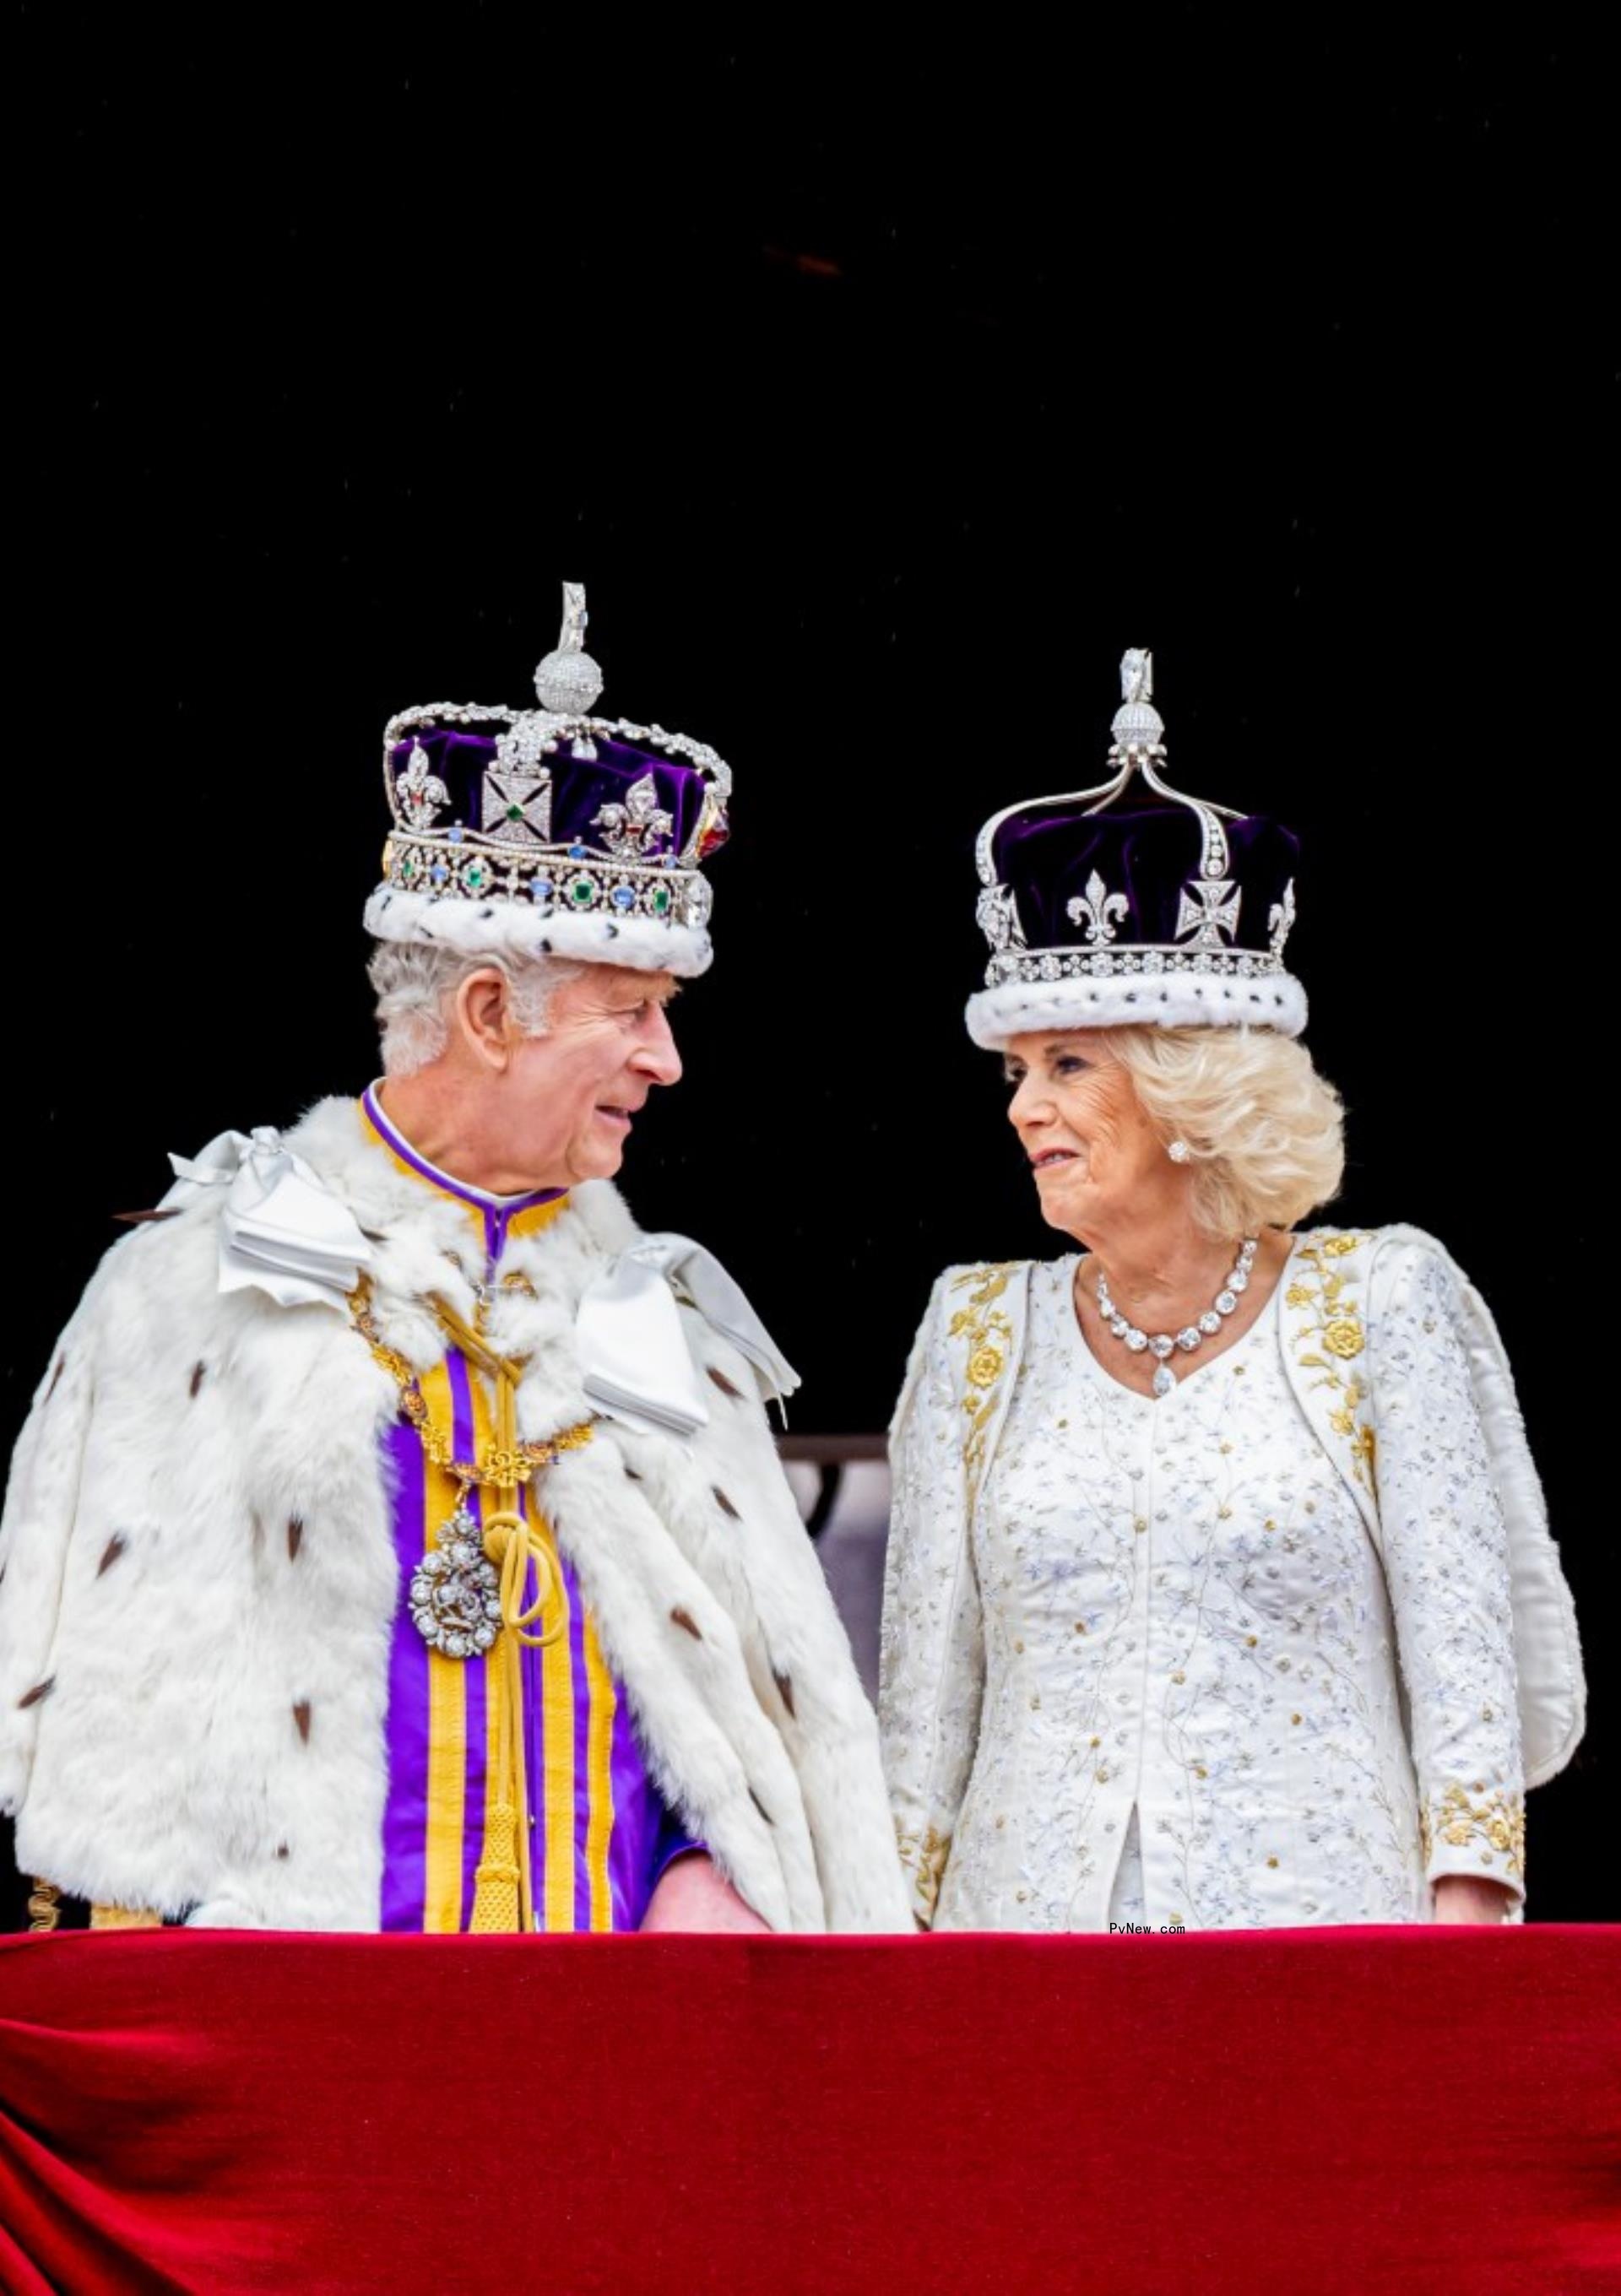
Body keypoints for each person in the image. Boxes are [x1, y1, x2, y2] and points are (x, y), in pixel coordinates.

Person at [0, 586, 908, 1936]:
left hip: (616, 2016)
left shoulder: (658, 1320)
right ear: (489, 1013)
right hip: (303, 2012)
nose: (666, 1060)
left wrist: (712, 1874)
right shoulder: (196, 1283)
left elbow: (733, 1709)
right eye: (632, 1012)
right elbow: (102, 1739)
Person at [880, 651, 1584, 1933]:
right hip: (1023, 1964)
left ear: (1191, 1091)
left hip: (1325, 1959)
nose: (1025, 1107)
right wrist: (898, 1967)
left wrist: (1464, 1944)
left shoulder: (1379, 1302)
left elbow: (1467, 1667)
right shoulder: (975, 1329)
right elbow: (924, 1714)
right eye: (1018, 1073)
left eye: (1069, 1064)